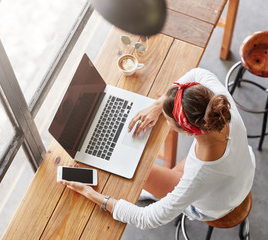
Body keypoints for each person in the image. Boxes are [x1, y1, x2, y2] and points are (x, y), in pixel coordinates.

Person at [60, 68, 256, 229]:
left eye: (167, 118)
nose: (163, 116)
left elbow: (146, 219)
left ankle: (155, 194)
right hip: (239, 172)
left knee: (141, 172)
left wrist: (90, 194)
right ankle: (159, 193)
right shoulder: (222, 107)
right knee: (155, 176)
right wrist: (159, 103)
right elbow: (198, 73)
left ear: (187, 131)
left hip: (217, 205)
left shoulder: (199, 176)